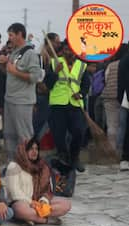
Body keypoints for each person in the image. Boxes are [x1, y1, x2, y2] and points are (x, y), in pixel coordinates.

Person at [0, 23, 43, 162]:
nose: (9, 38)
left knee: (25, 135)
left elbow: (35, 77)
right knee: (9, 135)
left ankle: (30, 164)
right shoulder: (14, 53)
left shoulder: (30, 54)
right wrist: (2, 64)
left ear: (19, 34)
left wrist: (15, 71)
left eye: (11, 35)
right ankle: (12, 163)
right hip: (10, 99)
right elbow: (9, 74)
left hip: (23, 101)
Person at [46, 40, 90, 172]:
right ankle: (63, 156)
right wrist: (55, 72)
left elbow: (86, 84)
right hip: (58, 104)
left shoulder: (82, 65)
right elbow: (48, 84)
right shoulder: (55, 63)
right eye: (66, 50)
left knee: (78, 132)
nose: (68, 52)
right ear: (62, 50)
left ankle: (74, 157)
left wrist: (81, 94)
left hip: (75, 104)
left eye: (71, 50)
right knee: (59, 134)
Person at [6, 139, 71, 226]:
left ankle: (30, 218)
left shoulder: (42, 166)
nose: (34, 152)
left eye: (36, 149)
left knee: (66, 204)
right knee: (20, 209)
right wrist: (31, 202)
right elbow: (15, 192)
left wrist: (43, 201)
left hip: (38, 202)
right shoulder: (14, 166)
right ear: (24, 151)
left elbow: (47, 189)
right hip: (22, 203)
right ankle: (45, 220)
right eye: (31, 149)